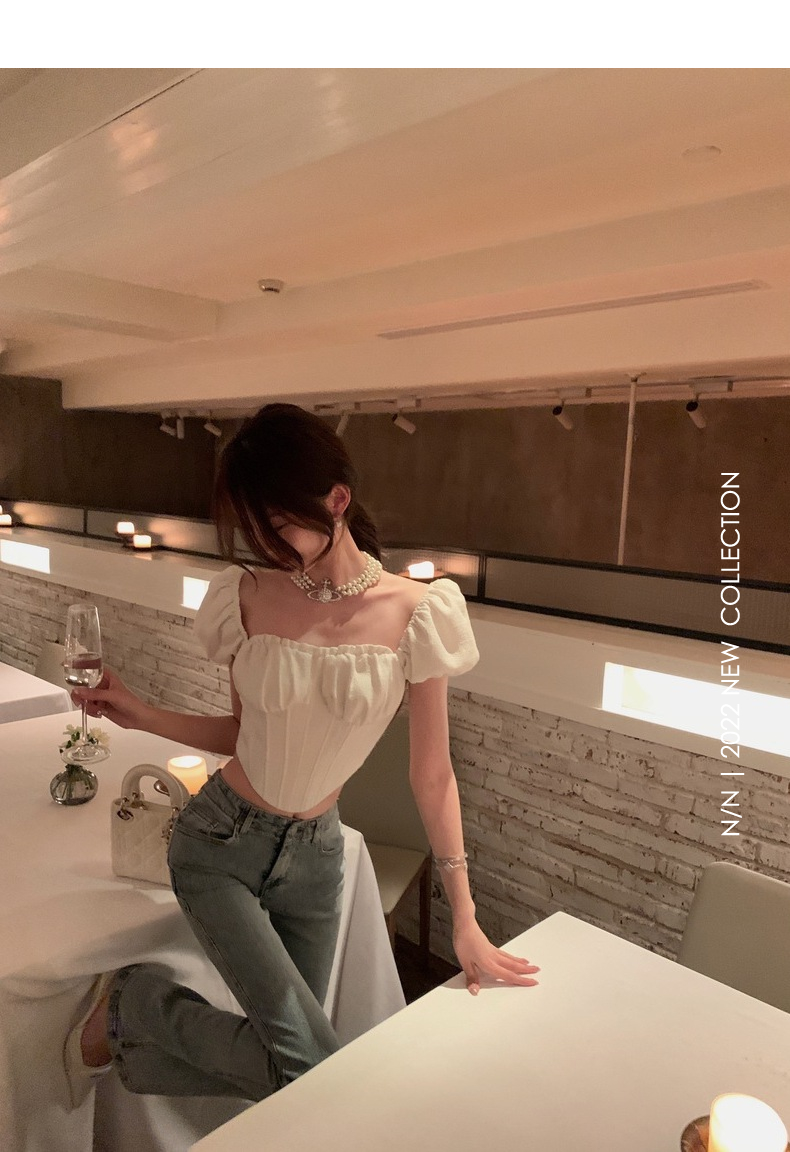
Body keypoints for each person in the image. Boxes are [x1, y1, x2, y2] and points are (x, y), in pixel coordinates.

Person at [64, 402, 540, 1110]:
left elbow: (433, 775)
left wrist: (465, 918)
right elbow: (242, 733)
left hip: (317, 859)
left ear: (337, 500)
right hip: (218, 843)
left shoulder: (418, 613)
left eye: (280, 525)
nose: (267, 545)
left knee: (291, 1076)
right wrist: (143, 713)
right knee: (309, 1070)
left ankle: (133, 1013)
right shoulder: (246, 595)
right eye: (255, 529)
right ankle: (135, 1009)